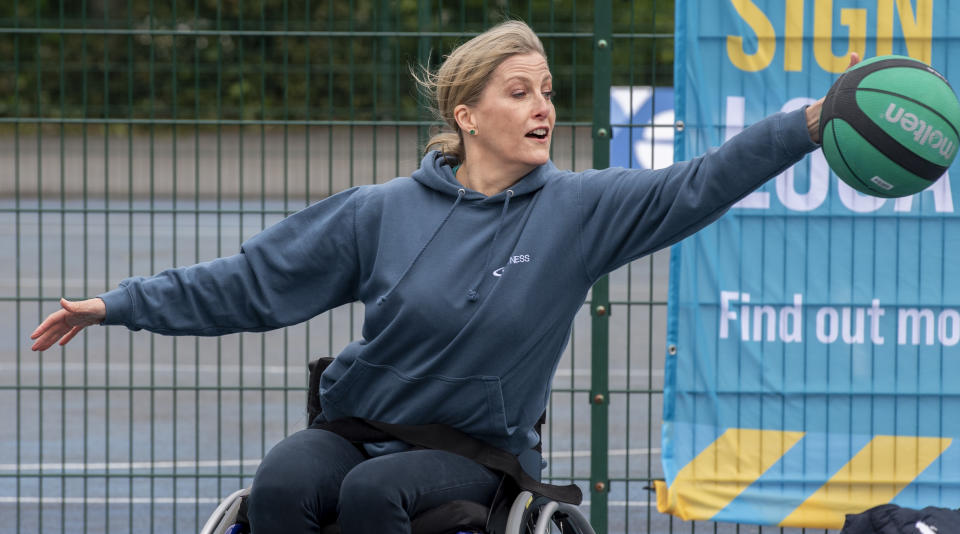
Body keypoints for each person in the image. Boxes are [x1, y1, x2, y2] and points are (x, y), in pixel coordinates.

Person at [30, 20, 859, 534]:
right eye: (519, 91)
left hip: (475, 450)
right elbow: (253, 281)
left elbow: (701, 181)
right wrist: (116, 304)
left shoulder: (580, 211)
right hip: (356, 424)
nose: (544, 107)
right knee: (284, 479)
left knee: (373, 498)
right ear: (466, 115)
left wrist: (812, 122)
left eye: (548, 91)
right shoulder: (380, 210)